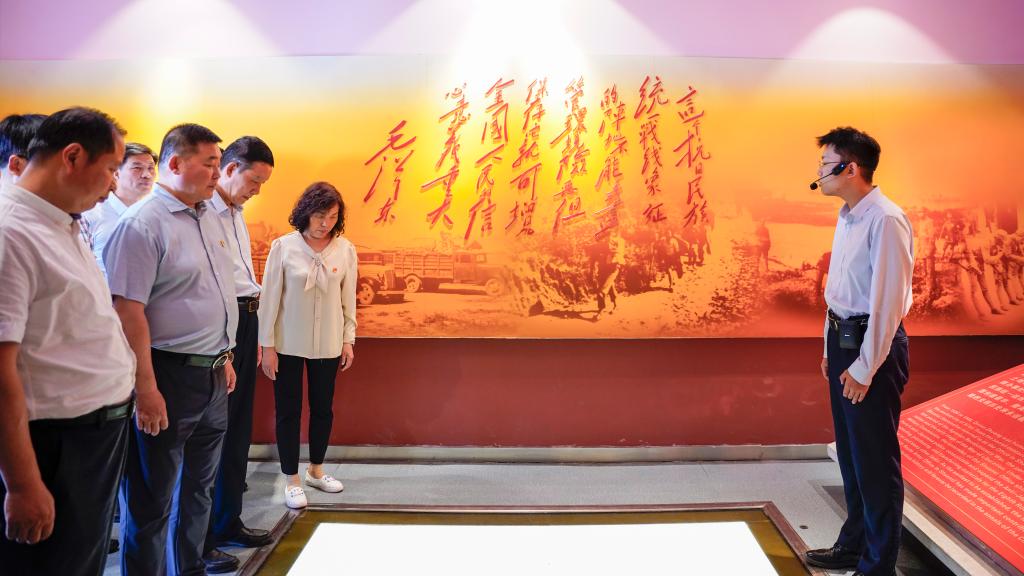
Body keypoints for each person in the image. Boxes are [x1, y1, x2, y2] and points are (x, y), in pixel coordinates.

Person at [0, 107, 135, 576]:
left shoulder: (63, 222)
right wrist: (22, 484)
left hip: (91, 436)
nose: (114, 184)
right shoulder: (12, 232)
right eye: (112, 168)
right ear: (72, 157)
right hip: (53, 445)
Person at [105, 123, 240, 575]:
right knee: (152, 501)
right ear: (177, 163)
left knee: (198, 491)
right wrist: (145, 389)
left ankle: (189, 568)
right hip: (166, 375)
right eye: (210, 163)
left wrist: (224, 355)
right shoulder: (142, 224)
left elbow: (214, 292)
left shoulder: (208, 216)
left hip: (213, 373)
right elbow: (127, 310)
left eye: (220, 164)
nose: (218, 174)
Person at [806, 127, 913, 576]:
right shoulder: (849, 216)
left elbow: (888, 303)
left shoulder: (886, 219)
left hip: (872, 347)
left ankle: (877, 565)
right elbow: (840, 290)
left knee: (874, 460)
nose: (819, 173)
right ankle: (854, 544)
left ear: (850, 168)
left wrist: (866, 366)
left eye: (825, 164)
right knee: (851, 455)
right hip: (843, 340)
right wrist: (828, 345)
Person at [259, 181, 356, 509]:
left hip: (328, 342)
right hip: (288, 342)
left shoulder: (345, 250)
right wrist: (267, 346)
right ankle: (291, 478)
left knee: (323, 408)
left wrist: (348, 339)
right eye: (319, 215)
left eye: (332, 216)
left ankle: (316, 470)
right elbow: (269, 300)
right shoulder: (283, 247)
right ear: (305, 213)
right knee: (288, 410)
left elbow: (348, 300)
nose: (325, 223)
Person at [204, 136, 275, 564]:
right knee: (212, 431)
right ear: (230, 169)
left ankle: (228, 520)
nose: (257, 190)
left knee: (237, 427)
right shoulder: (203, 213)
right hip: (221, 322)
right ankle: (202, 536)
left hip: (246, 319)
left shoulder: (235, 213)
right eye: (254, 180)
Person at [81, 142, 156, 276]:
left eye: (151, 168)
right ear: (116, 172)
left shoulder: (156, 213)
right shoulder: (91, 213)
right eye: (137, 168)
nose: (147, 175)